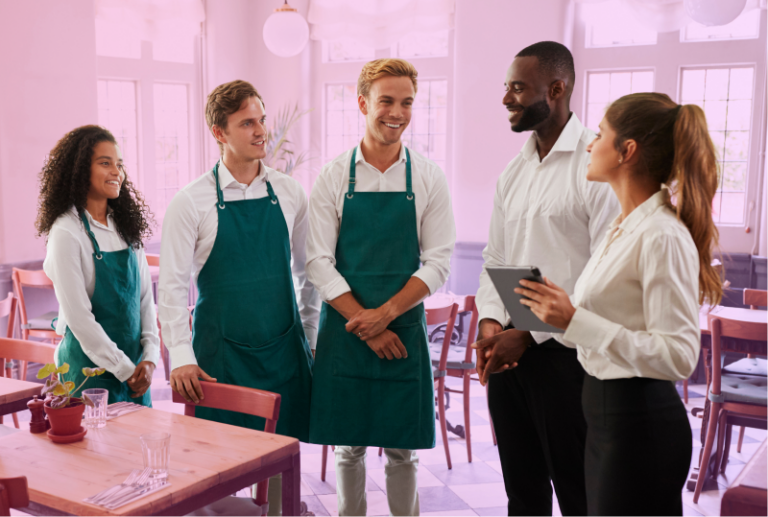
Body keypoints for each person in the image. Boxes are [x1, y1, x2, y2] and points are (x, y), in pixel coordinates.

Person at [516, 93, 719, 517]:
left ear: (627, 151)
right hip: (605, 417)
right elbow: (604, 323)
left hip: (639, 424)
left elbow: (680, 355)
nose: (590, 144)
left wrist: (575, 320)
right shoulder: (622, 225)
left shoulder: (661, 234)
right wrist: (557, 312)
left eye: (600, 134)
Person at [472, 41, 619, 517]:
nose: (506, 98)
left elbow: (605, 271)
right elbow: (497, 256)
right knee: (523, 494)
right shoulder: (513, 172)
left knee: (579, 494)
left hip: (569, 360)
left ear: (556, 89)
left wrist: (530, 335)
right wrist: (491, 322)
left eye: (518, 87)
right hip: (510, 354)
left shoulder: (597, 165)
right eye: (507, 87)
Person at [158, 80, 319, 515]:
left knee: (285, 459)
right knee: (217, 467)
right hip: (220, 359)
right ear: (219, 132)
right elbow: (171, 288)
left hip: (283, 352)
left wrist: (308, 336)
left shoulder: (290, 192)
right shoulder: (190, 202)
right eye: (247, 123)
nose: (261, 130)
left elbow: (309, 273)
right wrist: (181, 355)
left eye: (261, 120)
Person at [307, 58, 456, 517]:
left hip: (401, 332)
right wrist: (365, 323)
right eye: (386, 101)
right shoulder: (333, 176)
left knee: (402, 452)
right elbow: (317, 262)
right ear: (362, 104)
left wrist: (385, 316)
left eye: (407, 102)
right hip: (347, 333)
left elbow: (439, 262)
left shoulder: (428, 177)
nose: (397, 112)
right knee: (348, 449)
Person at [39, 125, 158, 405]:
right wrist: (125, 369)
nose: (117, 172)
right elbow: (80, 320)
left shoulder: (126, 228)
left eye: (120, 164)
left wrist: (150, 358)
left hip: (136, 374)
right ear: (80, 169)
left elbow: (145, 300)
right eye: (105, 163)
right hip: (87, 375)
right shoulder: (66, 232)